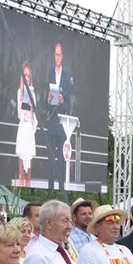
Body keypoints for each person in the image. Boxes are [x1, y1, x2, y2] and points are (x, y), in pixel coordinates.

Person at [45, 43, 72, 191]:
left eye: (59, 54)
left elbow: (69, 106)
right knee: (50, 156)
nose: (57, 57)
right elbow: (45, 102)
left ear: (63, 57)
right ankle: (49, 188)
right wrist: (49, 99)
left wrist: (62, 101)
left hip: (62, 123)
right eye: (55, 54)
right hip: (51, 120)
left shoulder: (67, 78)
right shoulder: (49, 73)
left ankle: (61, 189)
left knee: (61, 159)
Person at [15, 61, 39, 187]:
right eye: (25, 75)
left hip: (29, 130)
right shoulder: (19, 91)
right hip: (23, 129)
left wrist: (32, 110)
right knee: (21, 169)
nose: (27, 78)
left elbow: (35, 118)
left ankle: (28, 189)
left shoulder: (33, 93)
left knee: (29, 170)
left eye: (29, 76)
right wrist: (24, 108)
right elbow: (19, 113)